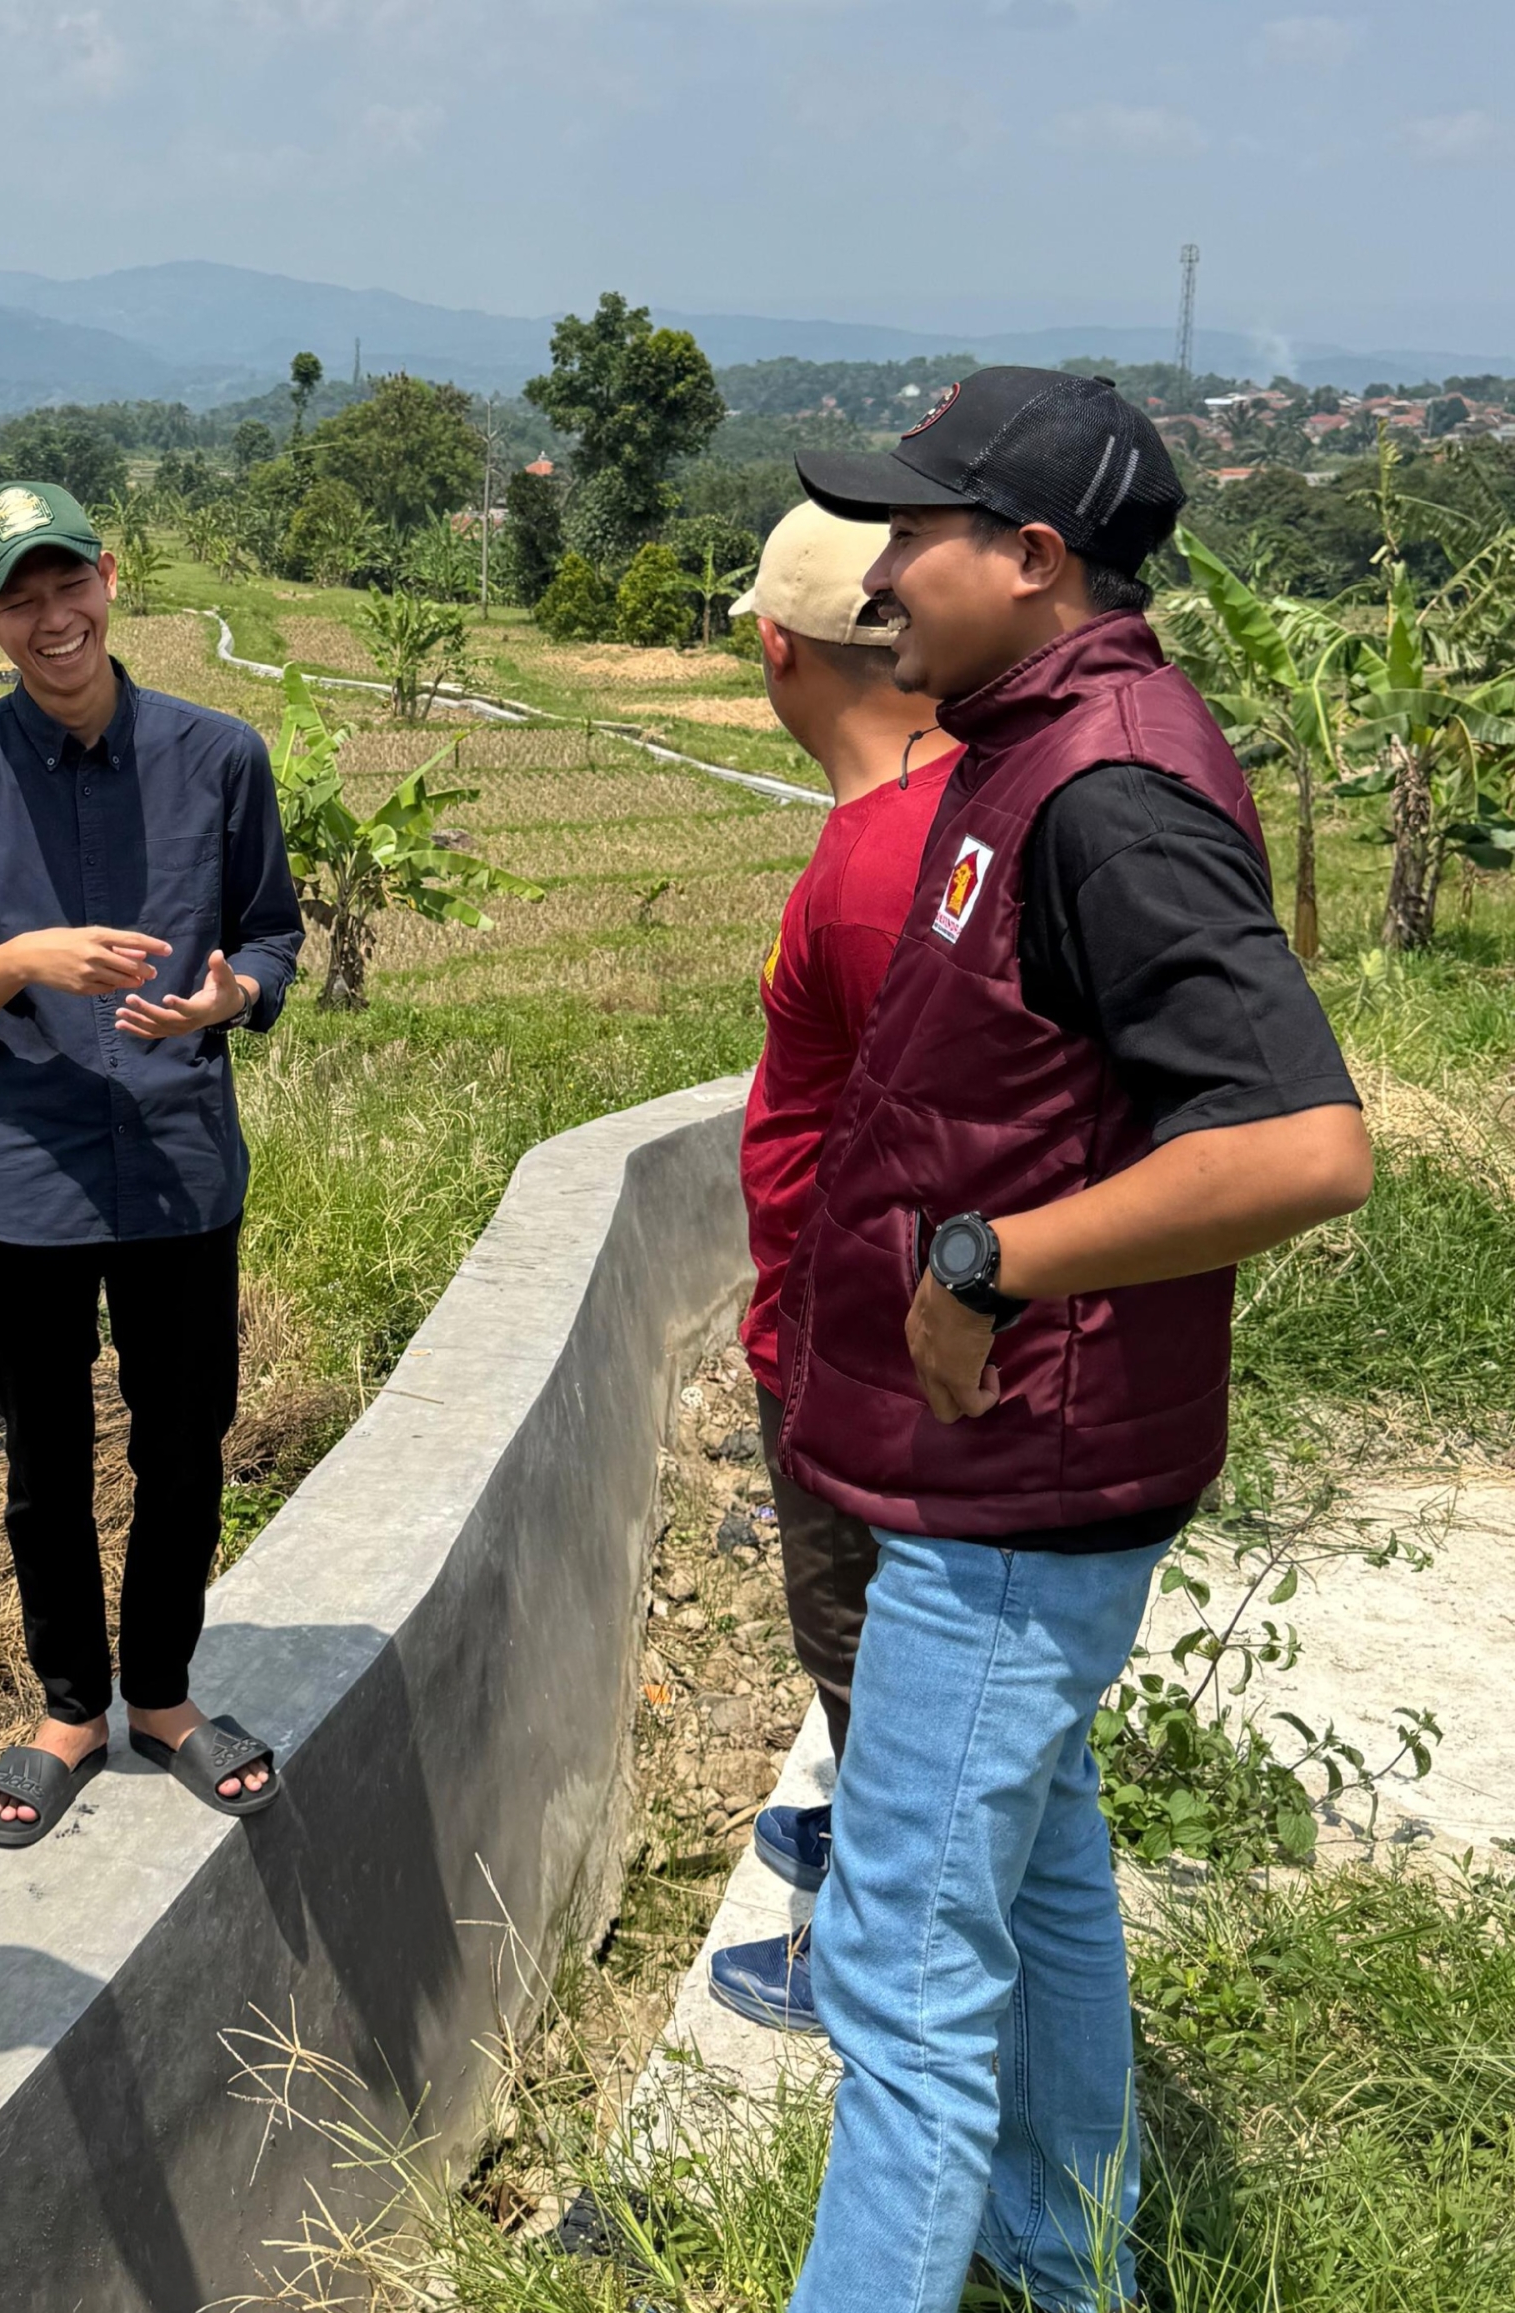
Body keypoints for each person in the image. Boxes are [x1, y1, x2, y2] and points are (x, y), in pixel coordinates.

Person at [768, 369, 1372, 2313]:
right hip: (1009, 1465)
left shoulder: (1105, 788)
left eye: (915, 530)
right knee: (1031, 1890)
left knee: (899, 1975)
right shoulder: (1025, 749)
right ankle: (1063, 2263)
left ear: (1029, 559)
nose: (881, 570)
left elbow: (1298, 1139)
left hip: (1012, 1477)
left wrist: (983, 1260)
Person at [0, 479, 305, 1847]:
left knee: (187, 1445)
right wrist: (15, 963)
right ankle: (69, 1702)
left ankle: (165, 1694)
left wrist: (227, 1000)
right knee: (45, 1459)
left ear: (112, 577)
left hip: (180, 1164)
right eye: (21, 596)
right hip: (28, 1183)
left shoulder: (219, 757)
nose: (55, 616)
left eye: (73, 583)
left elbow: (273, 936)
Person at [703, 501, 960, 2038]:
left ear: (777, 648)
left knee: (864, 1644)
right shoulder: (955, 811)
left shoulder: (876, 870)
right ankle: (872, 1845)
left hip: (851, 1340)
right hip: (879, 1325)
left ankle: (867, 1937)